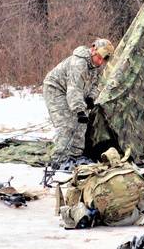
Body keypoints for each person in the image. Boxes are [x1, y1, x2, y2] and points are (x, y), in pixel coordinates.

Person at [44, 38, 113, 169]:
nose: (100, 62)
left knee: (82, 124)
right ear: (93, 50)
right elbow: (74, 88)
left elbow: (95, 85)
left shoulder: (98, 67)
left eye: (104, 60)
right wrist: (79, 110)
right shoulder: (79, 63)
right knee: (66, 124)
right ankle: (59, 159)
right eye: (99, 57)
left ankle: (75, 155)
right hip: (56, 89)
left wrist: (90, 98)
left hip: (76, 93)